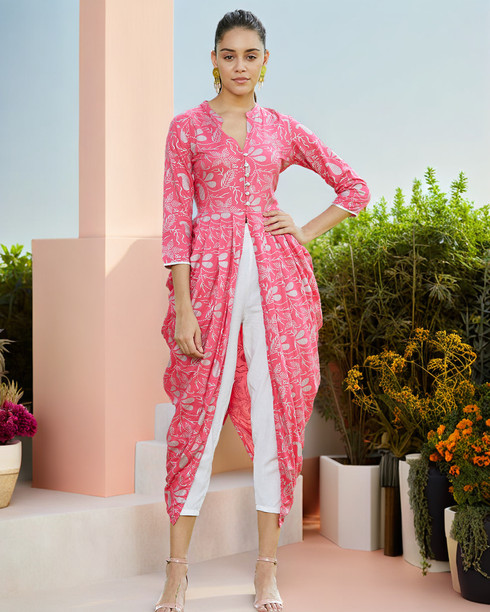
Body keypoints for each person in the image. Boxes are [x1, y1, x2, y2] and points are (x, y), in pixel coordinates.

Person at [155, 9, 370, 612]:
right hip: (210, 287)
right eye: (229, 55)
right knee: (194, 424)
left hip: (279, 288)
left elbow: (354, 187)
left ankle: (266, 570)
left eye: (251, 55)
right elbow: (175, 221)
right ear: (213, 60)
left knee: (277, 418)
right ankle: (177, 572)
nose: (240, 66)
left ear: (265, 62)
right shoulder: (186, 129)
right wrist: (184, 306)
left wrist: (305, 231)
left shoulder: (280, 127)